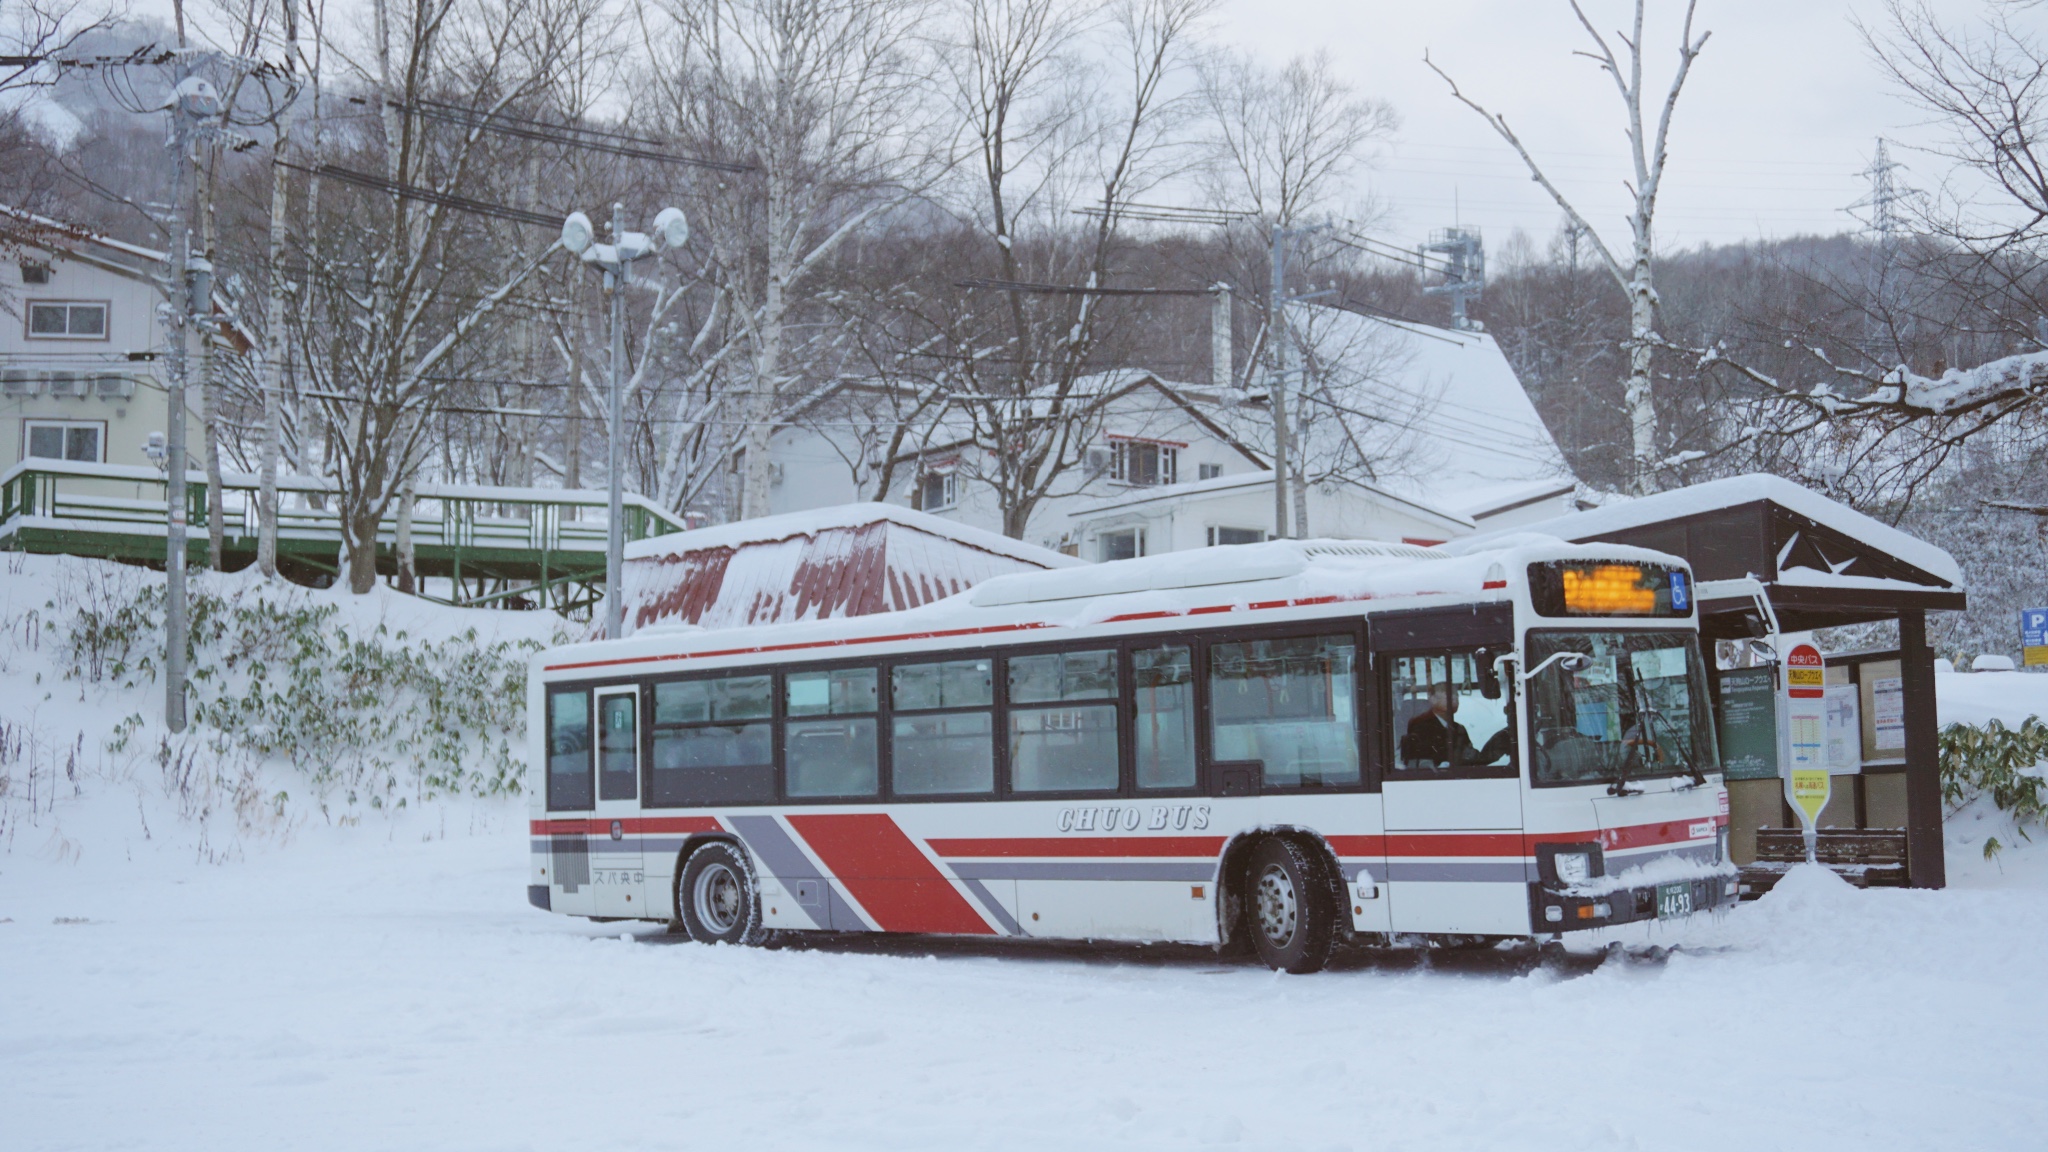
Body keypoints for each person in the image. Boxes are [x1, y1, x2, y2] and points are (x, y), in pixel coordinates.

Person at [1401, 685, 1512, 768]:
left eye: (1456, 696)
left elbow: (1471, 759)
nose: (1454, 700)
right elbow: (1419, 764)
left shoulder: (1459, 728)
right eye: (1448, 696)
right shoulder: (1420, 726)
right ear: (1432, 699)